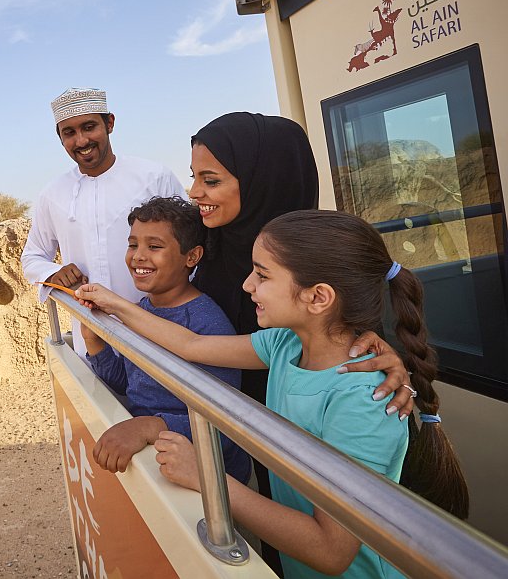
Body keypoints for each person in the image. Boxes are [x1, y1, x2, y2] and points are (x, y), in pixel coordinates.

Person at [76, 210, 469, 579]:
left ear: (317, 297)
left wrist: (206, 475)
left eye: (262, 275)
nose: (247, 285)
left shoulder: (363, 400)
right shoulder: (284, 345)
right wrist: (113, 305)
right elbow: (191, 344)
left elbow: (332, 551)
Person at [188, 112, 415, 412]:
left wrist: (389, 362)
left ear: (266, 178)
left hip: (303, 429)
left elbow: (363, 348)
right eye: (194, 177)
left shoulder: (323, 255)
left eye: (211, 180)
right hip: (218, 418)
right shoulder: (197, 238)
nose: (193, 193)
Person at [80, 196, 251, 482]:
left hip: (211, 484)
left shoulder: (206, 324)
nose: (138, 256)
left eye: (154, 246)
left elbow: (224, 427)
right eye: (133, 244)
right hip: (154, 461)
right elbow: (131, 383)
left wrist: (149, 427)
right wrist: (95, 342)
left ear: (192, 257)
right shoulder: (141, 311)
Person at [21, 87, 185, 356]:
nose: (81, 140)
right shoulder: (52, 194)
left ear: (109, 123)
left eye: (89, 127)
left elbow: (191, 246)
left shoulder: (153, 176)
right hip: (93, 338)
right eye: (69, 133)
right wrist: (52, 273)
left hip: (159, 331)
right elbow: (32, 257)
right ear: (59, 137)